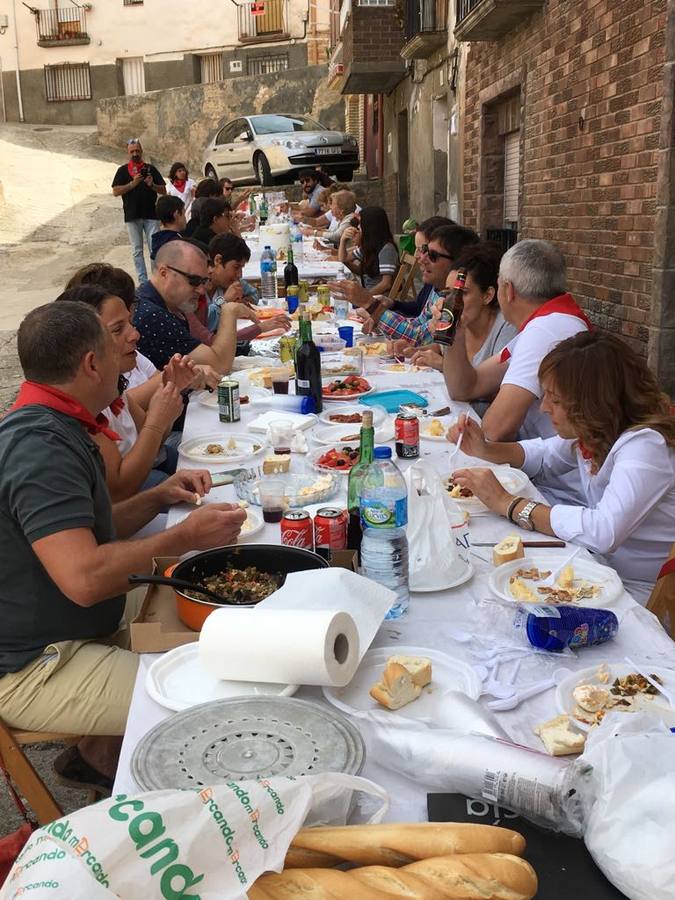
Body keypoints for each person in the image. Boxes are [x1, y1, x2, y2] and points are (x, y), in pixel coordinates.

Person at [0, 302, 246, 786]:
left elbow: (92, 528)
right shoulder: (40, 448)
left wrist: (157, 499)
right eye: (116, 346)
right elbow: (85, 578)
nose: (127, 356)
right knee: (207, 695)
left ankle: (95, 755)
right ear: (92, 364)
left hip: (79, 622)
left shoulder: (59, 422)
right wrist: (182, 535)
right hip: (37, 663)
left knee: (215, 593)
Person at [448, 330, 675, 605]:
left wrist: (509, 503)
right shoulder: (596, 432)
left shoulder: (645, 446)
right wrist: (484, 448)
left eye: (555, 400)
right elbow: (542, 456)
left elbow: (604, 531)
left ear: (591, 404)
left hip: (639, 592)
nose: (544, 408)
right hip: (601, 570)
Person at [441, 240, 591, 457]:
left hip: (554, 482)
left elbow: (494, 431)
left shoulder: (545, 330)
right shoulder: (546, 323)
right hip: (542, 465)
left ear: (507, 290)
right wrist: (456, 332)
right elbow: (465, 388)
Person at [55, 285, 185, 500]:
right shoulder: (85, 403)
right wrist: (157, 421)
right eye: (117, 330)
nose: (135, 334)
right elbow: (119, 489)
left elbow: (157, 439)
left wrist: (170, 395)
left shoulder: (114, 386)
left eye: (131, 323)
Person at [411, 244, 517, 416]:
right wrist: (414, 351)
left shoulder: (506, 328)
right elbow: (441, 350)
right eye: (448, 293)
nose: (454, 302)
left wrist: (442, 365)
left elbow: (497, 393)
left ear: (488, 295)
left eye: (463, 293)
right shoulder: (459, 322)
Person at [332, 223, 479, 343]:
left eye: (431, 254)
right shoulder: (438, 289)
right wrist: (384, 309)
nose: (419, 258)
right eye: (422, 251)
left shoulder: (457, 300)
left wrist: (371, 305)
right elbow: (417, 324)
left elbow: (417, 337)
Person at [134, 240, 256, 373]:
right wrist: (229, 312)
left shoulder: (169, 303)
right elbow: (220, 365)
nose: (201, 290)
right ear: (164, 273)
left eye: (203, 281)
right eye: (194, 281)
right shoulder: (152, 315)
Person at [206, 233, 290, 338]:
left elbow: (254, 293)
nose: (239, 274)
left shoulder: (229, 283)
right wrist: (224, 300)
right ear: (218, 260)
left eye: (241, 268)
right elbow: (205, 323)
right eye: (236, 267)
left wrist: (243, 302)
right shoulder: (197, 285)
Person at [111, 139, 166, 284]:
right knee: (137, 250)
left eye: (137, 150)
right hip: (132, 215)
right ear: (128, 152)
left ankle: (156, 280)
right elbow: (116, 191)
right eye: (132, 151)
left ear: (141, 151)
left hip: (151, 215)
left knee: (155, 248)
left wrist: (151, 184)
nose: (135, 154)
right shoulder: (123, 170)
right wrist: (132, 183)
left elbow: (164, 190)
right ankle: (143, 281)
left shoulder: (150, 169)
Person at [338, 206, 399, 296]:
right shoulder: (371, 246)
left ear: (370, 226)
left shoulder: (387, 249)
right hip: (367, 291)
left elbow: (386, 284)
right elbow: (344, 258)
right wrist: (343, 240)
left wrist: (363, 296)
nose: (358, 227)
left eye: (361, 223)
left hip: (377, 298)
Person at [150, 195, 186, 261]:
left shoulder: (157, 239)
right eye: (184, 214)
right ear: (177, 214)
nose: (185, 218)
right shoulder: (177, 243)